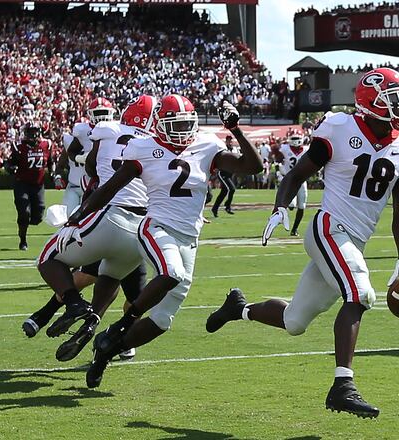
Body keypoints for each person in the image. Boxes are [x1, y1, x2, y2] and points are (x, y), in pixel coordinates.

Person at [205, 68, 399, 419]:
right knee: (361, 293)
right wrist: (279, 208)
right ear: (371, 104)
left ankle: (239, 309)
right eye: (393, 99)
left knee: (295, 321)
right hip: (328, 228)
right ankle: (343, 386)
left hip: (353, 241)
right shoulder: (340, 128)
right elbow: (295, 174)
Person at [66, 97, 261, 388]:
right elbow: (110, 187)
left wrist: (236, 130)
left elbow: (252, 167)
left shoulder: (206, 145)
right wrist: (80, 215)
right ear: (160, 124)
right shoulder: (144, 148)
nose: (182, 130)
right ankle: (121, 324)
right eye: (176, 125)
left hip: (189, 238)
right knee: (172, 273)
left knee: (162, 320)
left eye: (186, 124)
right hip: (155, 227)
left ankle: (106, 352)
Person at [28, 96, 157, 362]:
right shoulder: (157, 144)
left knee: (48, 259)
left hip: (109, 215)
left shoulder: (106, 131)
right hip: (142, 230)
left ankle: (73, 305)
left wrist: (75, 218)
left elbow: (94, 171)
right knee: (112, 279)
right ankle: (94, 327)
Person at [59, 98, 118, 214]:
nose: (101, 116)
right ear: (91, 114)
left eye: (104, 112)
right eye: (98, 113)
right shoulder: (82, 130)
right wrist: (80, 158)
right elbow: (71, 151)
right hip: (89, 179)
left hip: (110, 178)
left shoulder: (119, 128)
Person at [6, 123, 53, 250]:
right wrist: (11, 168)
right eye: (30, 131)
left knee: (38, 215)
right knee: (24, 212)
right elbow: (9, 163)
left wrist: (53, 173)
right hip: (22, 184)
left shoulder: (46, 145)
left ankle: (26, 222)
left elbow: (50, 161)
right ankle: (23, 240)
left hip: (38, 185)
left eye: (34, 131)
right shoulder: (19, 147)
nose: (33, 134)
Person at [276, 133, 309, 235]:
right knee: (291, 205)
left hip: (302, 180)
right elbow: (277, 158)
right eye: (293, 138)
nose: (295, 141)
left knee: (302, 206)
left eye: (297, 138)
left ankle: (294, 229)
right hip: (289, 179)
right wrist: (279, 171)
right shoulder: (285, 148)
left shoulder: (306, 149)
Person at [211, 135, 236, 217]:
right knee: (231, 189)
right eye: (229, 140)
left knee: (224, 192)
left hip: (229, 173)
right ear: (226, 141)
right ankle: (227, 206)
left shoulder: (234, 149)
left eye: (231, 140)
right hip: (223, 173)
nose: (230, 142)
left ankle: (215, 208)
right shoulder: (223, 149)